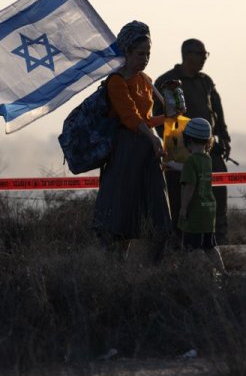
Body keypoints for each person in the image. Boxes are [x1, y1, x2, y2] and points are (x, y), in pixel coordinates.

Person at [92, 21, 172, 261]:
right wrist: (152, 137)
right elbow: (130, 118)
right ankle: (111, 269)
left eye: (148, 53)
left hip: (145, 152)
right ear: (126, 52)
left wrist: (166, 117)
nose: (145, 59)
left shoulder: (145, 80)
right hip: (124, 153)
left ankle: (152, 268)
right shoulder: (116, 81)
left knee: (152, 215)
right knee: (118, 215)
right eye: (140, 54)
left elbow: (144, 120)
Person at [155, 39, 232, 242]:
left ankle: (218, 240)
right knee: (180, 197)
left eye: (205, 54)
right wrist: (176, 143)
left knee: (216, 195)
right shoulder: (167, 81)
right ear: (187, 54)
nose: (203, 58)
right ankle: (180, 242)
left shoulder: (205, 81)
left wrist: (224, 137)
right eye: (201, 54)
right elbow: (158, 118)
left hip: (210, 149)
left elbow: (217, 110)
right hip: (180, 152)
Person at [174, 117, 224, 271]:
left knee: (192, 248)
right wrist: (170, 164)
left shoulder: (190, 161)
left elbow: (190, 185)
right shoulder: (206, 159)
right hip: (208, 209)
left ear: (188, 139)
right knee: (210, 246)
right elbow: (192, 170)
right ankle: (223, 273)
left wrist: (183, 208)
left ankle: (201, 275)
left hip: (194, 211)